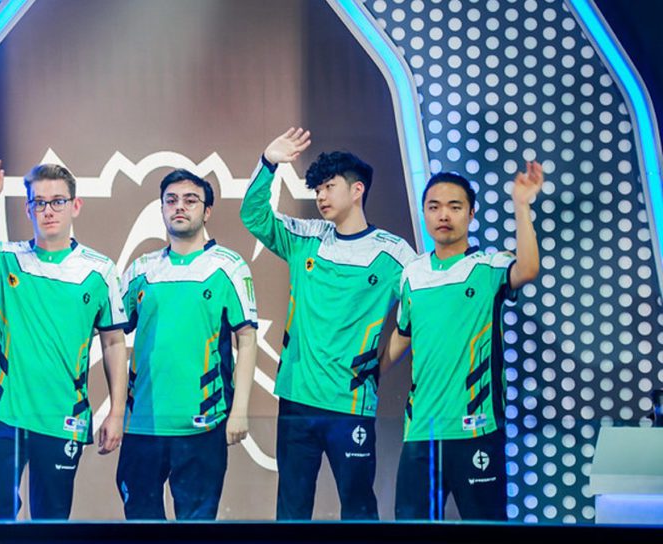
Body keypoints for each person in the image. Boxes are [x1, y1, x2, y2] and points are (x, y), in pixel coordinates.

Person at [240, 128, 416, 520]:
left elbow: (419, 315)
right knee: (292, 508)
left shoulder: (394, 254)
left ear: (357, 190)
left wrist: (377, 368)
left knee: (358, 508)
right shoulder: (306, 237)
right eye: (317, 189)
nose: (320, 196)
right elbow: (253, 215)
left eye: (329, 187)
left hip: (349, 404)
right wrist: (267, 163)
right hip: (296, 399)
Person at [0, 157, 129, 519]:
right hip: (1, 413)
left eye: (57, 201)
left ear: (75, 206)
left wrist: (117, 413)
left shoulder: (100, 271)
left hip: (63, 418)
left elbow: (113, 342)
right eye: (39, 202)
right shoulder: (6, 258)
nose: (48, 210)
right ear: (28, 209)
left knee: (52, 523)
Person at [380, 163, 543, 520]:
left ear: (471, 214)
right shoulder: (412, 275)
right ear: (425, 213)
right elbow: (402, 337)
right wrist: (367, 379)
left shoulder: (490, 267)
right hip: (420, 432)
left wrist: (521, 205)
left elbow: (528, 269)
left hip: (477, 430)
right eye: (434, 207)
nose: (444, 215)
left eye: (455, 207)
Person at [116, 169, 258, 519]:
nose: (179, 207)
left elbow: (247, 339)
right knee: (139, 525)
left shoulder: (228, 267)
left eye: (190, 200)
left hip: (203, 425)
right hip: (143, 424)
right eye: (171, 200)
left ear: (207, 211)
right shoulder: (141, 270)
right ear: (162, 208)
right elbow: (110, 333)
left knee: (196, 530)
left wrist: (239, 410)